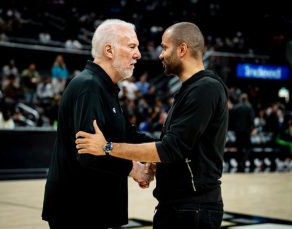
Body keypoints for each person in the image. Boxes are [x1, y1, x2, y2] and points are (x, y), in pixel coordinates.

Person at [75, 22, 229, 229]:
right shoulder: (191, 89)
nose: (160, 55)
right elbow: (171, 147)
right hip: (180, 206)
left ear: (182, 49)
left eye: (165, 48)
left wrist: (107, 147)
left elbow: (171, 148)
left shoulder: (205, 89)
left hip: (193, 208)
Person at [42, 19, 156, 229]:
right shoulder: (90, 87)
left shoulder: (104, 87)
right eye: (132, 46)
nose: (138, 54)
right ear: (109, 50)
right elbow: (89, 154)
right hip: (77, 211)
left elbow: (127, 136)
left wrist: (167, 146)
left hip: (91, 208)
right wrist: (134, 169)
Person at [231, 93, 255, 171]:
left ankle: (239, 164)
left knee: (239, 148)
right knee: (248, 147)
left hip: (237, 131)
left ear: (240, 99)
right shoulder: (249, 108)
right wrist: (251, 129)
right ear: (247, 99)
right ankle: (244, 160)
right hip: (246, 131)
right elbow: (251, 120)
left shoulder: (236, 107)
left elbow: (232, 120)